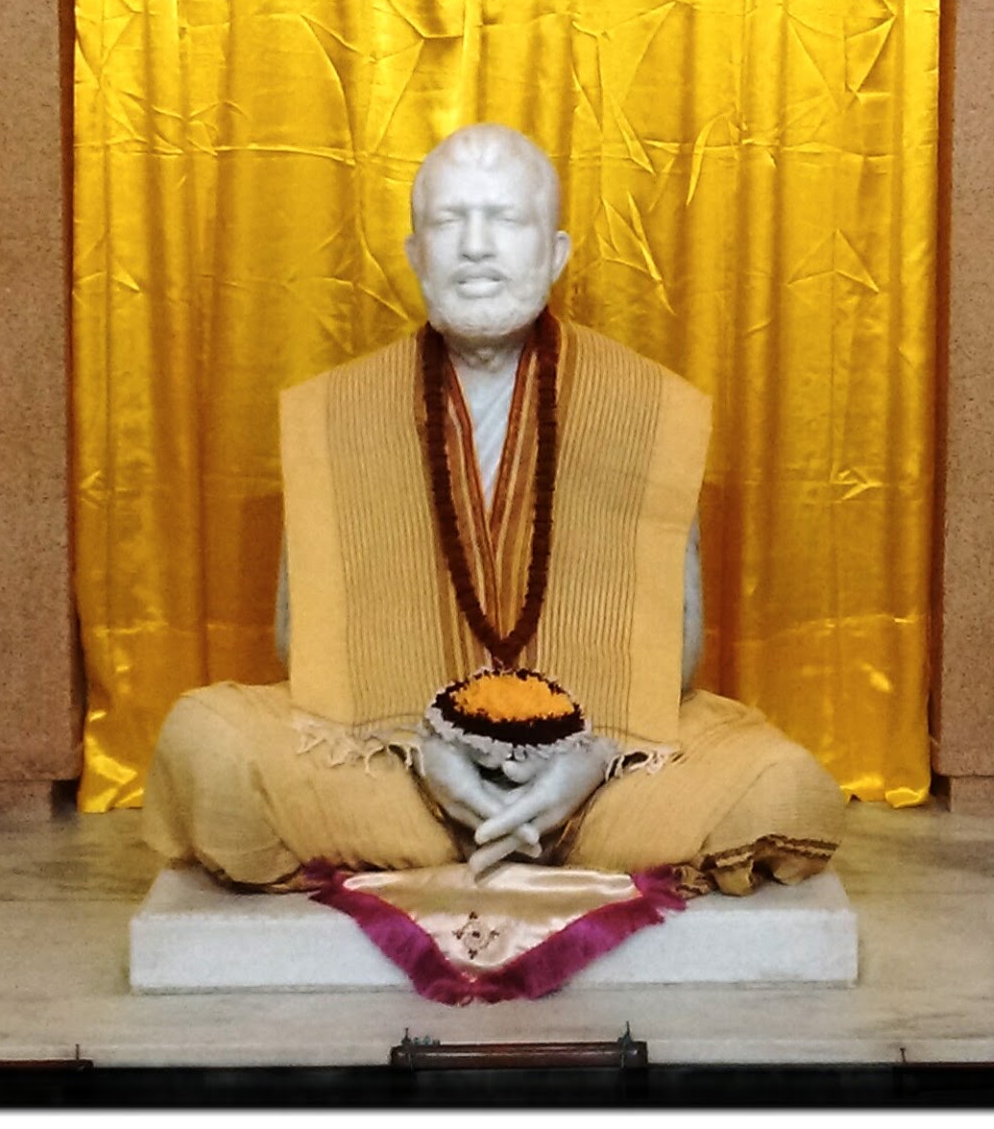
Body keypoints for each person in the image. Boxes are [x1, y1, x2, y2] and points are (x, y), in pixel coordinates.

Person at [143, 124, 844, 896]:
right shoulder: (339, 411)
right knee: (206, 745)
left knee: (782, 787)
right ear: (416, 253)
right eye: (450, 221)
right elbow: (299, 640)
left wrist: (590, 755)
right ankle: (476, 830)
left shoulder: (645, 406)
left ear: (556, 253)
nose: (476, 246)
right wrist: (423, 748)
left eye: (505, 219)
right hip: (392, 768)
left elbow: (674, 645)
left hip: (601, 776)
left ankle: (500, 836)